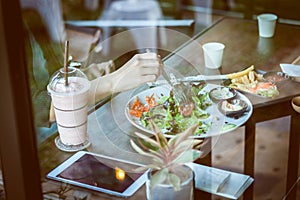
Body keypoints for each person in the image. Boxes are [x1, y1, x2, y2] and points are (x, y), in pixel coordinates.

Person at [21, 2, 163, 136]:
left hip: (75, 121)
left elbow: (52, 77)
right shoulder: (9, 21)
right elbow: (43, 109)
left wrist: (84, 76)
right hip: (47, 138)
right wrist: (113, 81)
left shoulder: (32, 13)